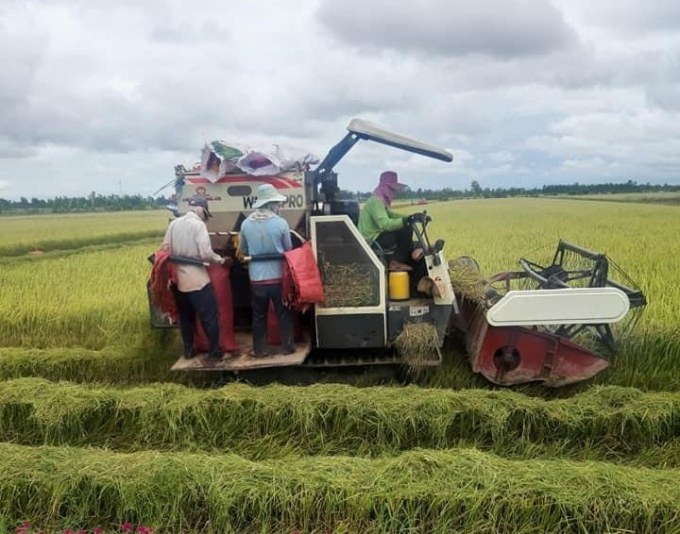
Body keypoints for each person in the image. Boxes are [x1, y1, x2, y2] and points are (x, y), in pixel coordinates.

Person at [161, 195, 229, 360]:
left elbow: (165, 248)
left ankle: (189, 351)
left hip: (179, 281)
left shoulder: (174, 224)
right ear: (200, 209)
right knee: (210, 317)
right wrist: (220, 260)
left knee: (186, 318)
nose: (205, 218)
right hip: (198, 280)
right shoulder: (198, 225)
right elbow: (205, 254)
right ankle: (214, 352)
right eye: (206, 214)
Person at [240, 183, 296, 358]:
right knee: (283, 313)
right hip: (278, 278)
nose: (279, 206)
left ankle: (260, 350)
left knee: (258, 316)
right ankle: (288, 347)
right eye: (278, 203)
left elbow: (244, 250)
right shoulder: (281, 223)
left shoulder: (246, 224)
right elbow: (289, 249)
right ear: (271, 204)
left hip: (256, 279)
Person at [358, 170, 424, 271]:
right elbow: (385, 224)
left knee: (405, 228)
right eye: (391, 189)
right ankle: (396, 262)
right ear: (384, 186)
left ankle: (412, 253)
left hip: (377, 236)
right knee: (405, 229)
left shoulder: (379, 200)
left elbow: (392, 215)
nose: (393, 192)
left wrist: (411, 217)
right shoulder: (376, 202)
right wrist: (406, 221)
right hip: (372, 239)